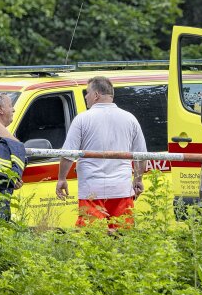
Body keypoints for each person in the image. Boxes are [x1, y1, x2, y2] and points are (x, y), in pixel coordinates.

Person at [55, 76, 147, 227]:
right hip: (121, 189)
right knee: (122, 236)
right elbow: (141, 156)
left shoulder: (82, 119)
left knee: (92, 238)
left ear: (96, 95)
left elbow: (68, 153)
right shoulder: (130, 119)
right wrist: (138, 180)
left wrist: (61, 179)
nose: (85, 96)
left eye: (87, 92)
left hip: (91, 190)